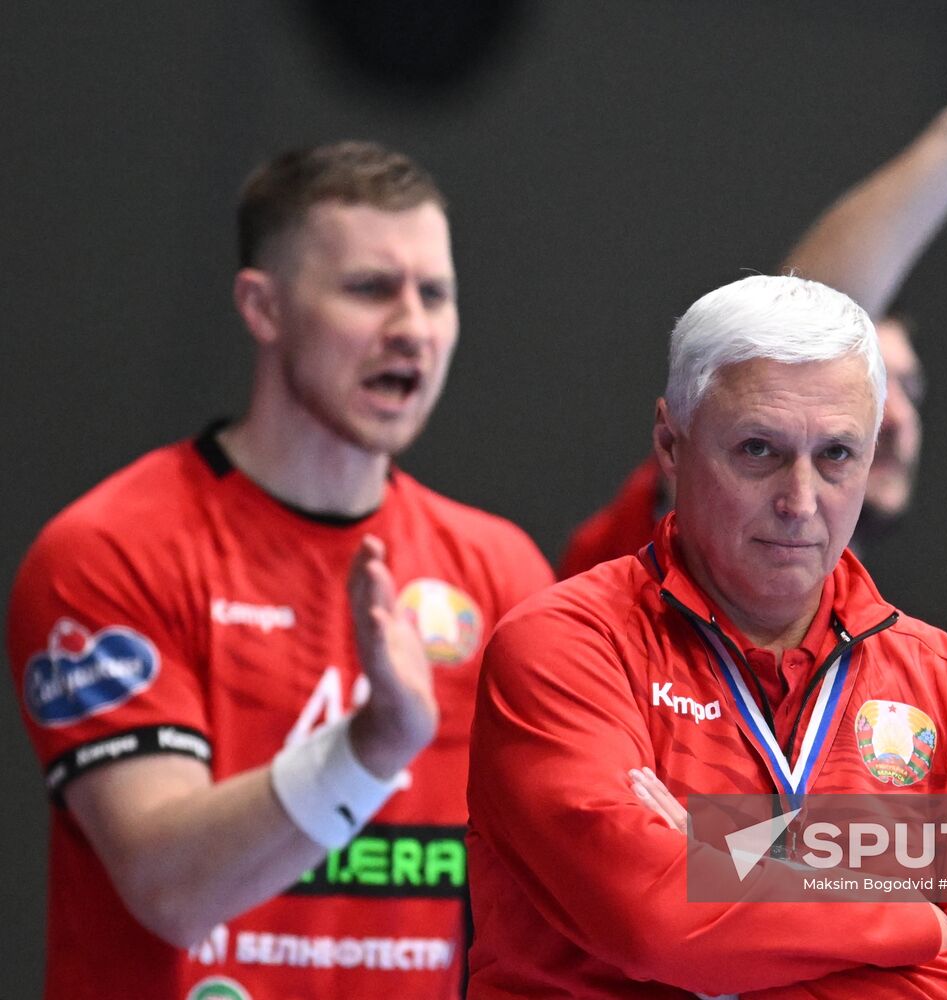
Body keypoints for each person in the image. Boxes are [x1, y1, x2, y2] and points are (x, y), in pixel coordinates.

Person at [6, 142, 554, 999]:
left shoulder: (498, 568)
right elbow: (170, 888)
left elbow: (619, 843)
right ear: (262, 308)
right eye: (371, 288)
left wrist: (840, 862)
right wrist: (372, 748)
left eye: (435, 293)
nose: (412, 325)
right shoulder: (108, 551)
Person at [467, 274, 947, 998]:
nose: (799, 501)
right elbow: (652, 921)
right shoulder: (562, 647)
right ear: (669, 444)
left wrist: (713, 887)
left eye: (837, 455)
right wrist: (915, 923)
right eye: (758, 449)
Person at [558, 26, 947, 579]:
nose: (896, 420)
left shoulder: (902, 652)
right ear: (676, 449)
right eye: (873, 386)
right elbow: (797, 323)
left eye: (904, 389)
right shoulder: (654, 559)